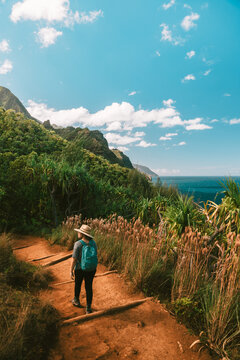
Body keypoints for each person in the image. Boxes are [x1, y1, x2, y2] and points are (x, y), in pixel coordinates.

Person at [70, 224, 98, 314]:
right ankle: (88, 308)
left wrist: (71, 271)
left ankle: (76, 300)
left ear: (82, 234)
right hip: (91, 269)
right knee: (88, 287)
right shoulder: (93, 243)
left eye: (80, 232)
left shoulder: (78, 244)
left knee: (78, 284)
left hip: (79, 269)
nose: (78, 232)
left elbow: (74, 259)